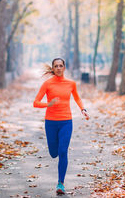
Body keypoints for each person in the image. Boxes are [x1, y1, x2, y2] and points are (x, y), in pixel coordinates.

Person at [33, 58, 90, 195]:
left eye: (61, 66)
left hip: (66, 121)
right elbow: (36, 102)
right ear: (53, 68)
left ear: (64, 67)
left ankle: (61, 183)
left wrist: (83, 109)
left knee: (63, 151)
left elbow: (77, 97)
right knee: (54, 153)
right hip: (51, 122)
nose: (58, 68)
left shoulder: (71, 83)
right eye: (56, 66)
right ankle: (56, 150)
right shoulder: (47, 84)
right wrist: (48, 104)